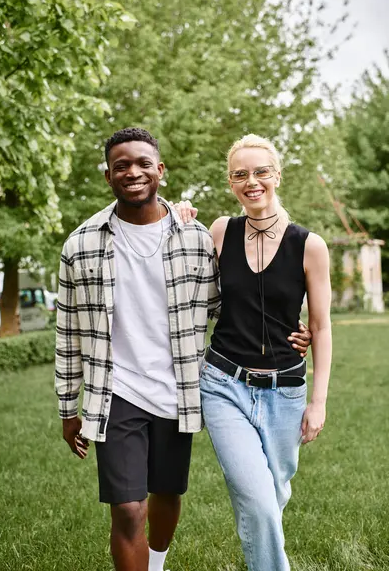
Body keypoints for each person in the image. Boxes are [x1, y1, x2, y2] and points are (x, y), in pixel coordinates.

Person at [55, 128, 311, 571]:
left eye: (142, 163)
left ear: (160, 171)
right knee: (128, 509)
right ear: (107, 175)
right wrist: (67, 408)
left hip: (178, 392)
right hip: (115, 393)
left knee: (167, 493)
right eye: (121, 165)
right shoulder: (80, 245)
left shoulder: (193, 237)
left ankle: (156, 563)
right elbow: (67, 332)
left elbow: (226, 302)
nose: (132, 172)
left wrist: (290, 327)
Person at [175, 134, 331, 571]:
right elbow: (188, 281)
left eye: (261, 171)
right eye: (240, 174)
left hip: (285, 391)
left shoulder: (309, 245)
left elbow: (320, 326)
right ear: (231, 182)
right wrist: (182, 219)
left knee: (273, 495)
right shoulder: (221, 230)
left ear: (277, 175)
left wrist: (318, 402)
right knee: (258, 501)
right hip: (224, 383)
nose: (252, 181)